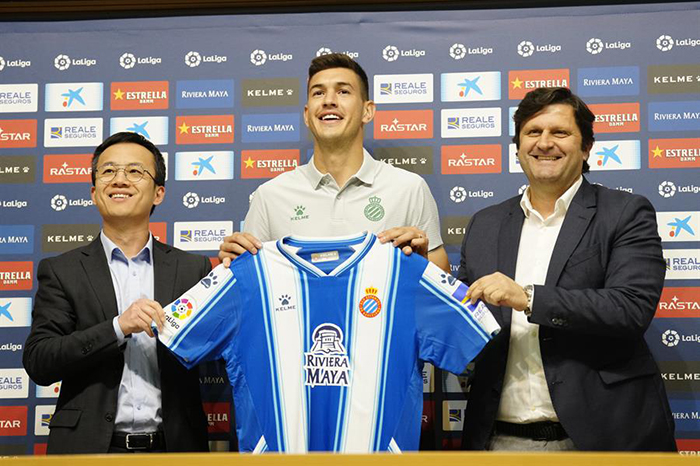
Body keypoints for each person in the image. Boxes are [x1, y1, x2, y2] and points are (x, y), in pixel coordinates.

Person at [457, 87, 675, 451]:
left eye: (559, 132)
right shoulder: (485, 223)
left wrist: (528, 298)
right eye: (533, 132)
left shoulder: (625, 213)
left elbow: (631, 308)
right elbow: (460, 316)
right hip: (500, 440)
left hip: (601, 439)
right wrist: (414, 267)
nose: (544, 143)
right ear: (517, 146)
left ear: (586, 147)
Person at [23, 132, 211, 454]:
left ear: (159, 193)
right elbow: (40, 360)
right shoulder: (61, 270)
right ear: (94, 192)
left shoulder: (193, 269)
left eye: (135, 171)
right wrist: (117, 327)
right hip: (88, 450)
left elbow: (219, 352)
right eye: (108, 171)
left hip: (175, 448)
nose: (120, 179)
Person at [218, 53, 449, 272]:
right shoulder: (269, 196)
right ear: (307, 115)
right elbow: (249, 283)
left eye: (343, 91)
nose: (329, 101)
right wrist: (232, 265)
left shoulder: (409, 189)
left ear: (367, 111)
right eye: (318, 93)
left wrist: (422, 265)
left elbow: (445, 287)